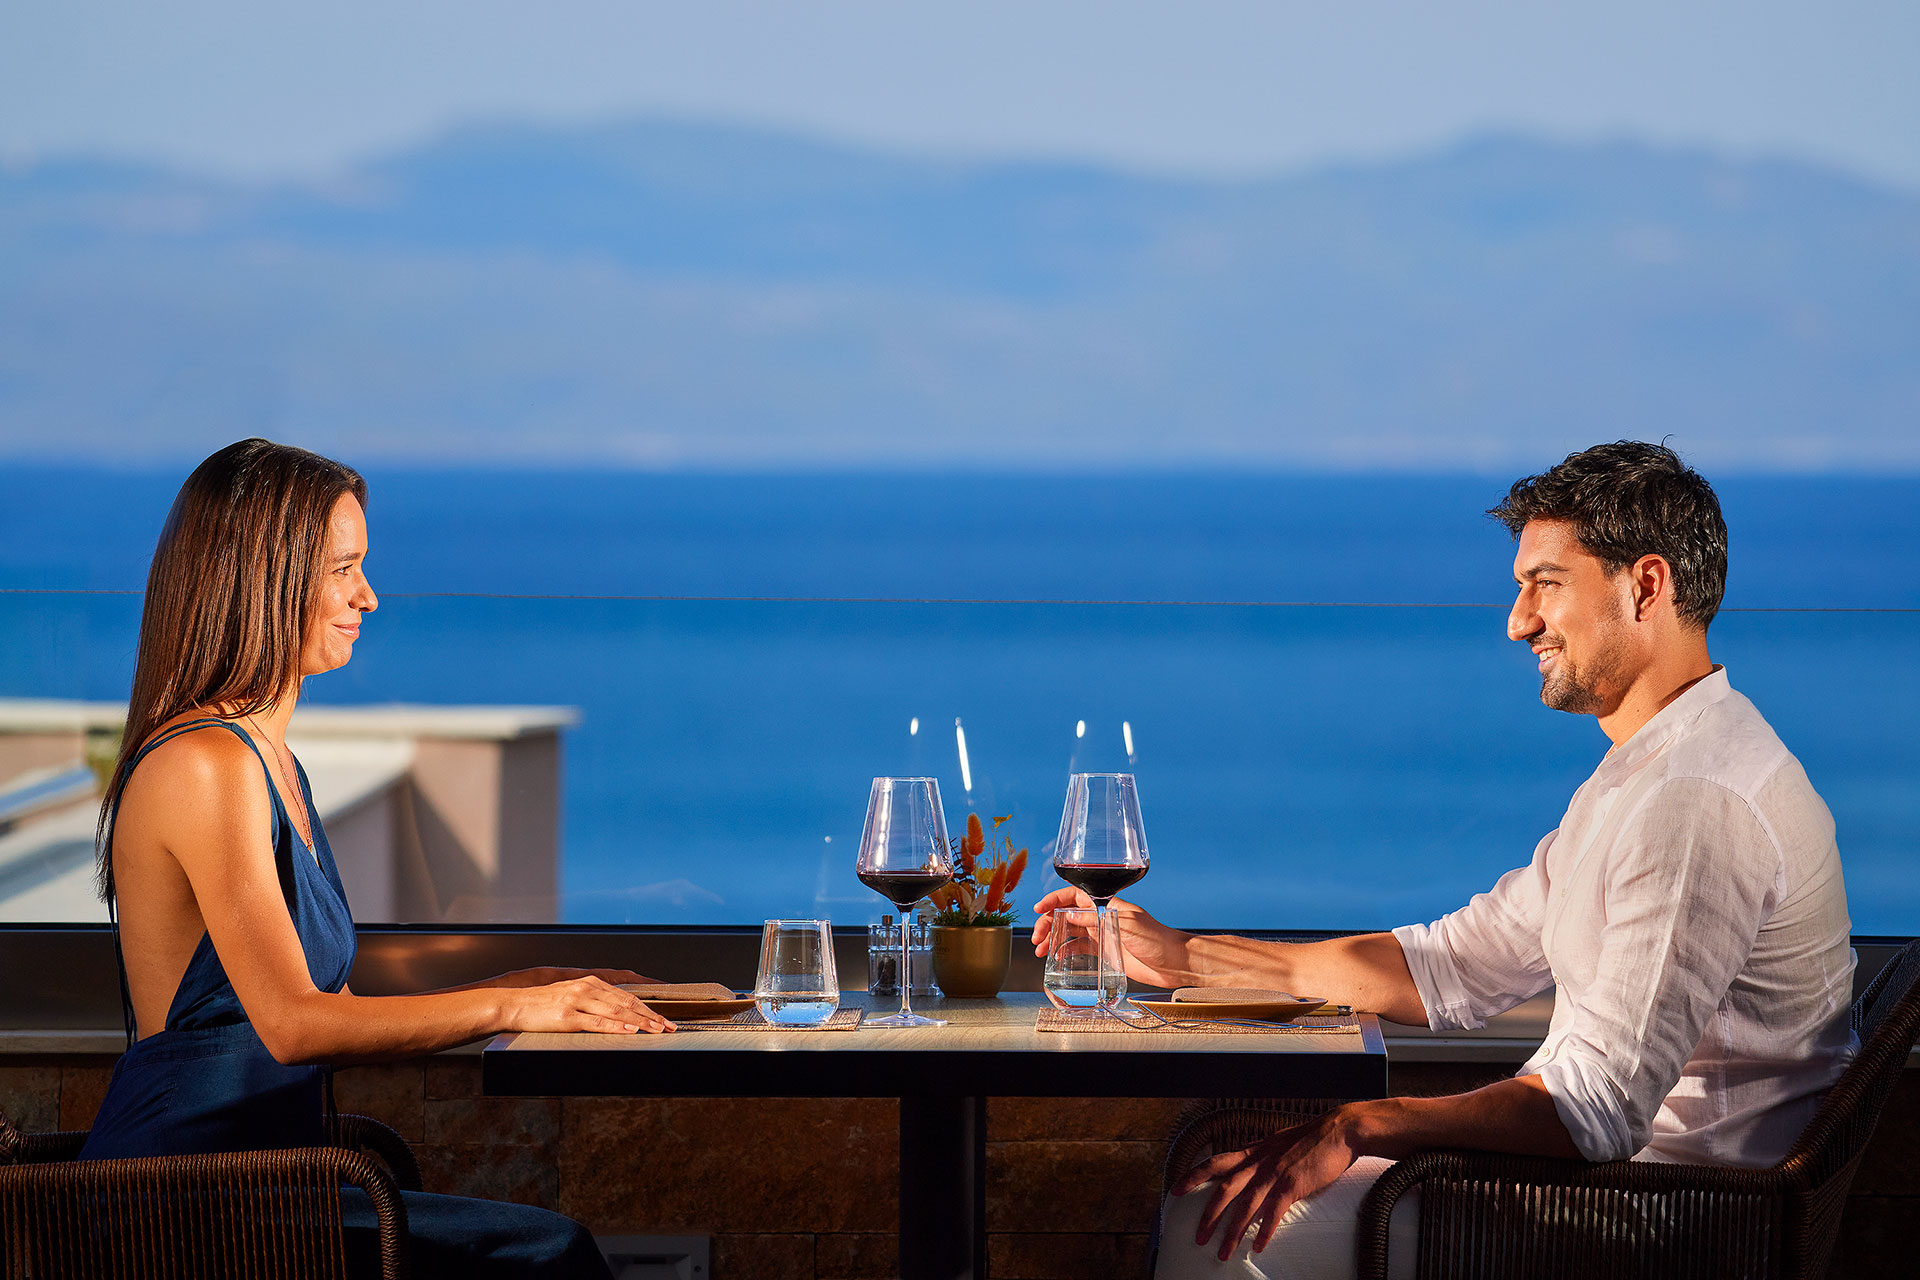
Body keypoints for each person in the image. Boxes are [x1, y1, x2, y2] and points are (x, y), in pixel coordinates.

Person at [1032, 441, 1854, 1277]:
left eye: (1548, 584)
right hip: (1603, 1192)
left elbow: (1594, 1109)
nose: (1518, 620)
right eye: (1519, 587)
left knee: (1216, 1223)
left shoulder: (1696, 800)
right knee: (1218, 1187)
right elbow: (1451, 964)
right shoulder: (1650, 770)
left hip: (1661, 1226)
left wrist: (1358, 1125)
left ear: (1645, 586)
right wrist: (1183, 957)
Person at [81, 438, 677, 1279]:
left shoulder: (271, 762)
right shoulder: (203, 766)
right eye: (341, 569)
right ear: (264, 578)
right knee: (548, 1257)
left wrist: (531, 985)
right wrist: (513, 1014)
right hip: (183, 1206)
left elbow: (332, 1004)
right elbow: (294, 1027)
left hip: (270, 1187)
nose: (367, 595)